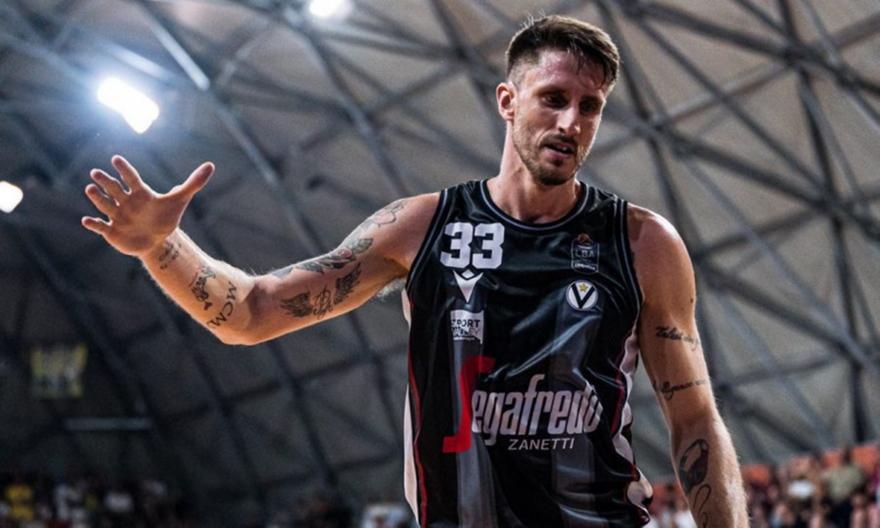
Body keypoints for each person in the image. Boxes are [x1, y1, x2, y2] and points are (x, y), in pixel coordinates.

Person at [81, 14, 747, 527]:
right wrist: (161, 247)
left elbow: (695, 420)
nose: (571, 122)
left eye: (590, 106)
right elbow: (253, 313)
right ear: (507, 100)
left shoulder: (641, 242)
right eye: (553, 98)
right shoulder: (422, 226)